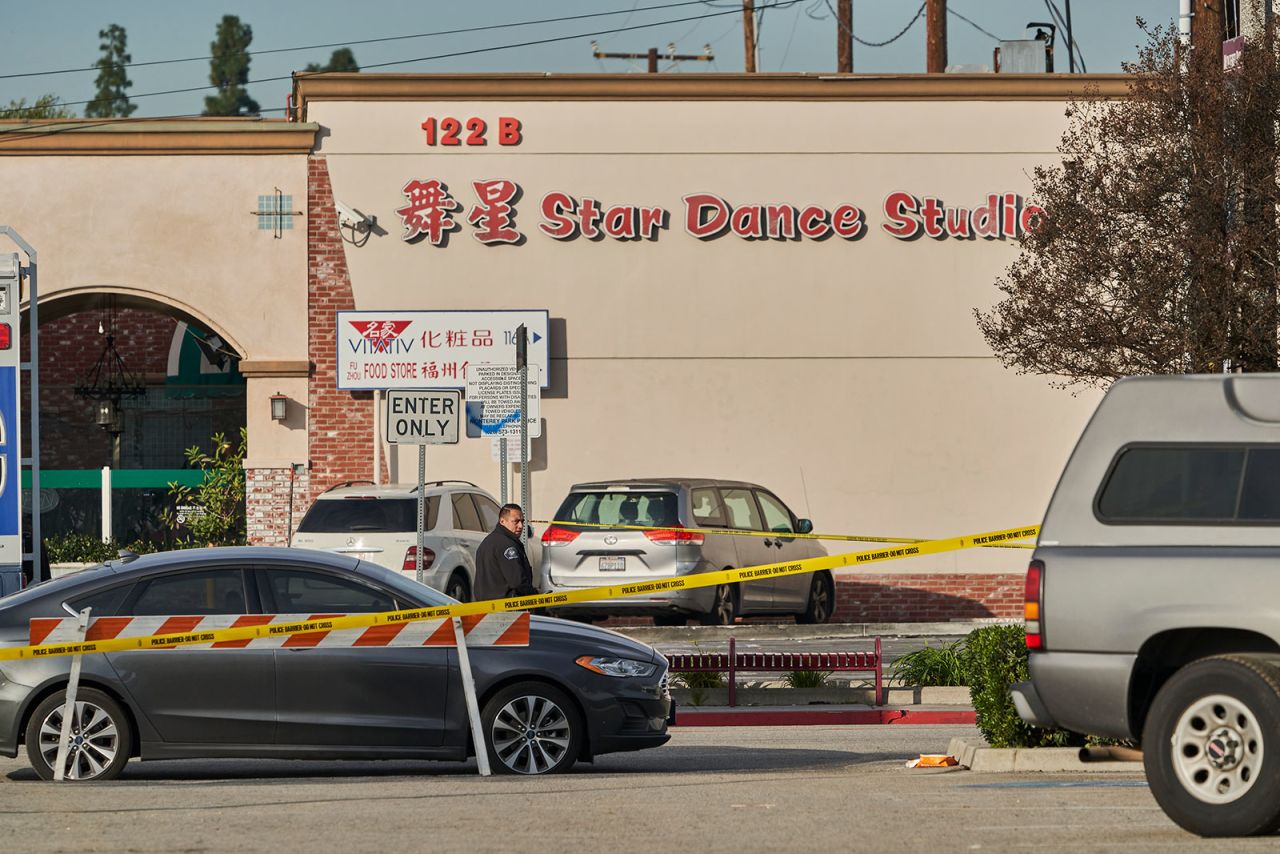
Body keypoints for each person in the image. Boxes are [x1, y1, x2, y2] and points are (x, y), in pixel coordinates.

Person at [474, 503, 537, 601]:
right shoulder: (507, 545)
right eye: (515, 521)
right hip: (506, 608)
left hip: (486, 607)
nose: (520, 526)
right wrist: (535, 595)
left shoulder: (489, 541)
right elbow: (517, 581)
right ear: (502, 521)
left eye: (522, 521)